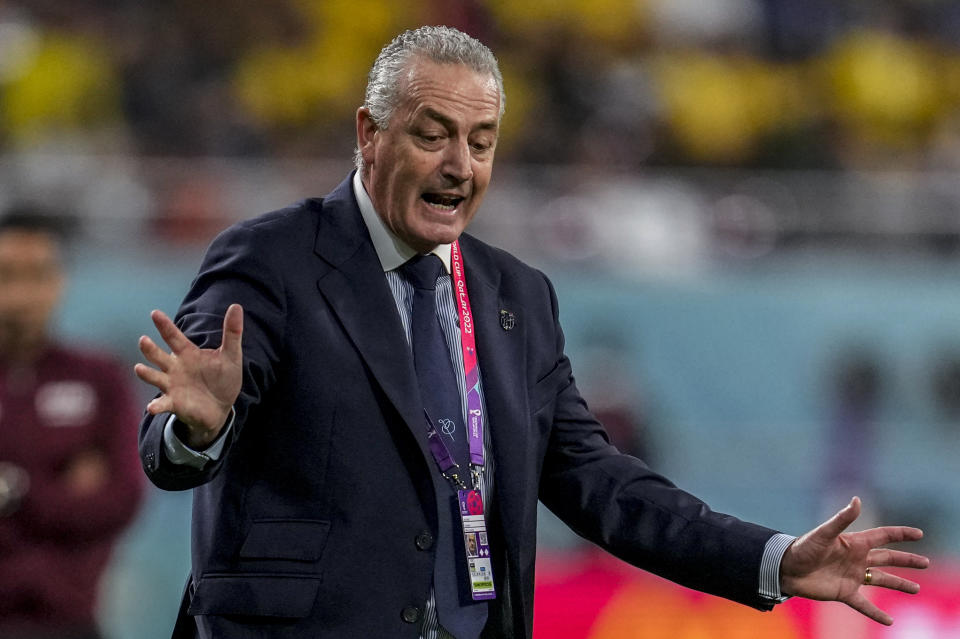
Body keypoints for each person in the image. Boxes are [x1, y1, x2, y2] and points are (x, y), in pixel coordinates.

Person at [135, 26, 928, 639]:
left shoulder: (517, 296)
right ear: (369, 133)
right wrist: (196, 429)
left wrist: (776, 558)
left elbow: (601, 482)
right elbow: (190, 416)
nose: (459, 165)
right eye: (432, 134)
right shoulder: (272, 258)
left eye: (481, 144)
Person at [0, 209, 144, 639]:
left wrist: (16, 489)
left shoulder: (99, 379)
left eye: (37, 274)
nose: (21, 294)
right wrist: (59, 487)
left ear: (60, 281)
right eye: (7, 274)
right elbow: (89, 506)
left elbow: (121, 499)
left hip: (69, 621)